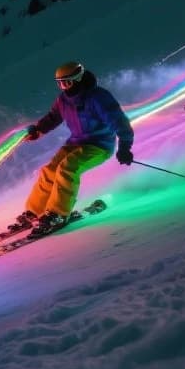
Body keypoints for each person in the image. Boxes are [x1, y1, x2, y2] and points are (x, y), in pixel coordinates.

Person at [11, 61, 134, 237]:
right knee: (50, 170)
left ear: (78, 79)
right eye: (60, 83)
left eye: (67, 82)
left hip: (99, 145)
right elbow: (53, 117)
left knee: (67, 168)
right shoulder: (64, 100)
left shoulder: (97, 97)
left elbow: (119, 122)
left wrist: (124, 147)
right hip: (75, 142)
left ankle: (58, 214)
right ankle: (35, 212)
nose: (64, 87)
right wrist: (38, 130)